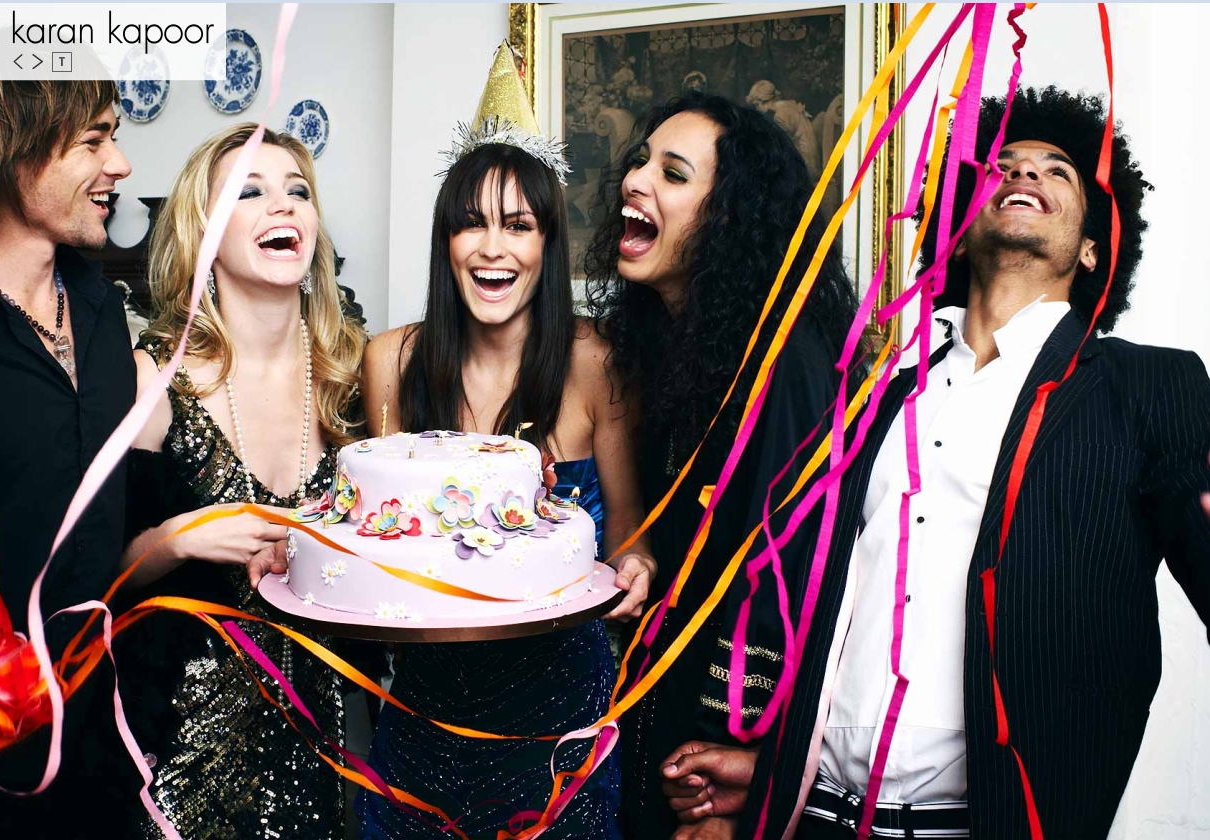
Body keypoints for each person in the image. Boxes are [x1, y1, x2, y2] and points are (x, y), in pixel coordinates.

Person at [664, 87, 1210, 840]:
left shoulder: (1150, 387)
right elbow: (821, 594)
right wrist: (771, 767)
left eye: (1056, 170)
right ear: (958, 235)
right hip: (818, 816)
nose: (1023, 173)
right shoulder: (875, 391)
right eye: (1002, 164)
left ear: (1093, 248)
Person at [355, 46, 655, 839]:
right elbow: (368, 541)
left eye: (518, 226)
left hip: (559, 725)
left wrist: (637, 569)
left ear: (547, 244)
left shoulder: (595, 363)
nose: (493, 248)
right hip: (423, 716)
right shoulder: (390, 362)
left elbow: (632, 538)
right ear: (445, 242)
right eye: (472, 224)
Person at [581, 91, 862, 838]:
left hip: (718, 747)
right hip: (655, 712)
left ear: (729, 219)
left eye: (672, 174)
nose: (635, 180)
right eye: (640, 161)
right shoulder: (670, 347)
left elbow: (784, 573)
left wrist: (729, 757)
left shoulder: (786, 359)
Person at [120, 123, 367, 838]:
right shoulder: (154, 379)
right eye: (248, 192)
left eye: (298, 191)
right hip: (179, 761)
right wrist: (181, 537)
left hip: (322, 755)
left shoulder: (353, 376)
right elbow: (98, 576)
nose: (282, 205)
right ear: (203, 231)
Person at [0, 28, 140, 839]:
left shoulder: (104, 316)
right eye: (94, 140)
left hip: (106, 753)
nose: (120, 165)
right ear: (14, 146)